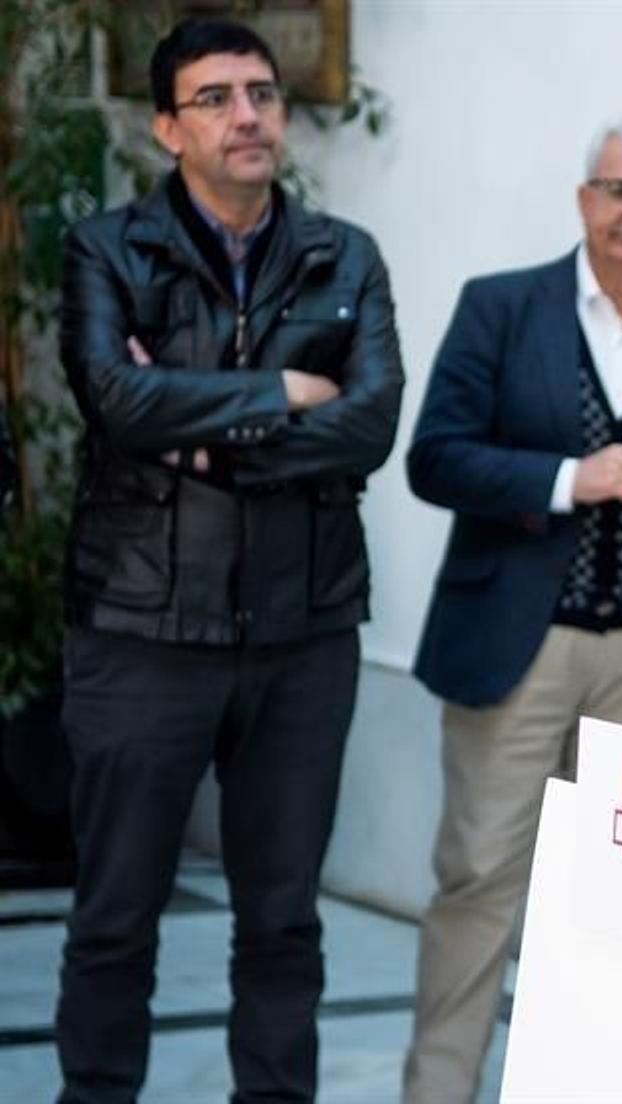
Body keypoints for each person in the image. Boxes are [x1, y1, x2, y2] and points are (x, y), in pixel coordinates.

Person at [53, 17, 402, 1103]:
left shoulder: (346, 256)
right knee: (115, 917)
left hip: (303, 636)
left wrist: (203, 436)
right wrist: (285, 395)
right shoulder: (107, 249)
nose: (248, 114)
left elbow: (373, 424)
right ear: (167, 127)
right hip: (140, 629)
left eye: (261, 92)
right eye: (216, 97)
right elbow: (114, 398)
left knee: (284, 921)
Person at [404, 122, 622, 1102]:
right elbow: (436, 456)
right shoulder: (501, 307)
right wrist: (568, 477)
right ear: (584, 197)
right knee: (478, 886)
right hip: (520, 642)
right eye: (619, 189)